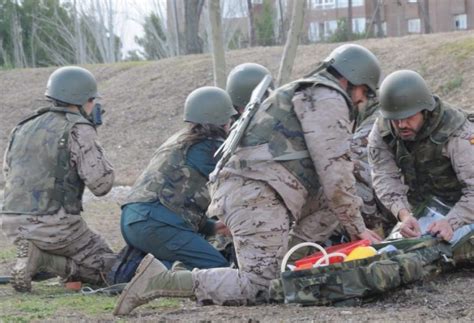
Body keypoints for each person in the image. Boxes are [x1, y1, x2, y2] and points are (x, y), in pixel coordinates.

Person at [113, 44, 383, 315]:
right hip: (257, 193)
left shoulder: (307, 93)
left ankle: (286, 267)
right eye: (364, 92)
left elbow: (330, 184)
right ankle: (162, 280)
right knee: (258, 286)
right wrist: (358, 228)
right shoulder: (327, 98)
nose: (362, 101)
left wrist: (351, 218)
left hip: (263, 190)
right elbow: (335, 170)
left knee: (329, 210)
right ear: (350, 79)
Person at [1, 66, 116, 292]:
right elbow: (101, 184)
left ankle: (41, 258)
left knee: (71, 249)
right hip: (55, 225)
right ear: (83, 99)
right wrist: (94, 141)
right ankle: (44, 260)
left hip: (12, 222)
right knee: (111, 267)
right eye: (92, 100)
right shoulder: (79, 128)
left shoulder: (23, 125)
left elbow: (8, 172)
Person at [120, 86, 236, 270]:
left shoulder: (180, 140)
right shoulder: (209, 148)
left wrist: (211, 227)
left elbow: (178, 197)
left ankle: (142, 271)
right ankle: (154, 278)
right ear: (224, 121)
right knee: (215, 267)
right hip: (155, 224)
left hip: (132, 220)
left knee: (187, 263)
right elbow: (237, 186)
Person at [368, 69, 474, 243]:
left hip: (464, 209)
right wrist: (404, 214)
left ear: (425, 111)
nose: (402, 125)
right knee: (396, 250)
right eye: (396, 119)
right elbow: (383, 176)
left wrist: (452, 222)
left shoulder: (457, 132)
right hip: (424, 209)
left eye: (409, 117)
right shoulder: (383, 130)